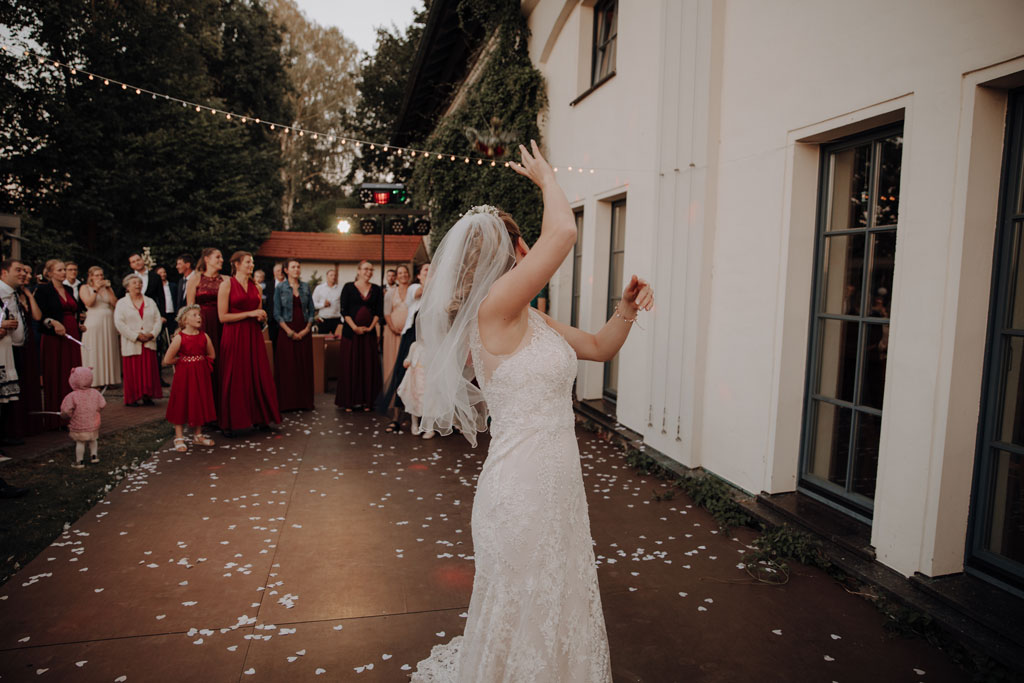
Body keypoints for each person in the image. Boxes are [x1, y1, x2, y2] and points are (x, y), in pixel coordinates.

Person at [411, 141, 654, 682]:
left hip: (558, 487)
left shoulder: (533, 319)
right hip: (519, 492)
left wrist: (626, 310)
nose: (529, 249)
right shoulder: (495, 309)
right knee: (522, 611)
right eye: (523, 241)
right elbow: (564, 233)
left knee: (553, 606)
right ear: (510, 248)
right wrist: (547, 180)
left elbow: (597, 346)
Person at [217, 251, 281, 433]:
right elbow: (222, 316)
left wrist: (261, 316)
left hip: (253, 335)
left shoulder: (257, 287)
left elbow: (258, 312)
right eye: (247, 262)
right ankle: (231, 422)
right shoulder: (227, 284)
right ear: (236, 264)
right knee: (234, 375)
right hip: (233, 334)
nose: (251, 266)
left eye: (252, 263)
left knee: (257, 374)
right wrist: (250, 313)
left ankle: (260, 417)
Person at [35, 259, 84, 429]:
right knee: (56, 373)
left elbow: (74, 310)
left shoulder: (69, 289)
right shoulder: (43, 290)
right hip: (54, 337)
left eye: (64, 269)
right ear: (49, 273)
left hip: (72, 334)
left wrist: (78, 323)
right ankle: (57, 417)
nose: (64, 272)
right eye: (60, 270)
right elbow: (40, 317)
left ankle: (75, 413)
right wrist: (52, 322)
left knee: (72, 374)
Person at [163, 304, 216, 452]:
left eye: (199, 315)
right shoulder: (180, 338)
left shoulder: (204, 336)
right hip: (184, 375)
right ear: (185, 320)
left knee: (198, 401)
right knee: (181, 401)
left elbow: (212, 355)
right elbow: (168, 359)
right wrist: (183, 361)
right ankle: (178, 436)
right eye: (194, 315)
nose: (198, 317)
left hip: (200, 374)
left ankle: (198, 435)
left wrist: (200, 361)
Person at [1, 260, 42, 439]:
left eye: (24, 271)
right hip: (4, 350)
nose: (23, 274)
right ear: (3, 273)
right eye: (17, 270)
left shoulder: (13, 294)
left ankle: (11, 431)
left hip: (14, 349)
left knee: (10, 396)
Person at [334, 260, 382, 412]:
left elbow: (378, 312)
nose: (369, 272)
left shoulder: (377, 289)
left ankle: (367, 401)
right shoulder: (348, 287)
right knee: (351, 366)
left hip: (369, 334)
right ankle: (349, 401)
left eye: (371, 269)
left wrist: (370, 327)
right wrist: (354, 327)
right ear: (359, 271)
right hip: (351, 333)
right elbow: (344, 310)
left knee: (368, 366)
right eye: (366, 269)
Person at [186, 248, 228, 411]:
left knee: (222, 363)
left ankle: (221, 406)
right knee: (204, 364)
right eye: (218, 257)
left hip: (222, 324)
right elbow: (189, 307)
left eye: (222, 257)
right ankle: (203, 408)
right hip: (202, 324)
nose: (221, 260)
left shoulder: (226, 280)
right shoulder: (195, 279)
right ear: (207, 259)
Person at [114, 273, 163, 406]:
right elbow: (119, 323)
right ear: (127, 287)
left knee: (149, 370)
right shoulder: (121, 303)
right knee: (133, 371)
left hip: (148, 342)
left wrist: (152, 334)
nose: (138, 285)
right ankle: (133, 398)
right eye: (134, 283)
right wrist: (135, 336)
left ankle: (148, 396)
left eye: (140, 282)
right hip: (132, 343)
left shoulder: (150, 301)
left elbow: (157, 320)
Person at [273, 258, 315, 412]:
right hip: (287, 330)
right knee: (288, 366)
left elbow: (311, 310)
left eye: (298, 266)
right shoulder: (280, 288)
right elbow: (276, 313)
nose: (296, 269)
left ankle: (304, 402)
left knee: (303, 365)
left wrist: (307, 328)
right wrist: (288, 331)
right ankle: (287, 402)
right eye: (293, 267)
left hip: (304, 328)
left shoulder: (306, 287)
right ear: (286, 270)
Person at [79, 266, 122, 388]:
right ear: (91, 276)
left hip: (108, 322)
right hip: (94, 322)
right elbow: (89, 303)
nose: (100, 277)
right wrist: (96, 289)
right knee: (95, 350)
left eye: (101, 275)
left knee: (109, 348)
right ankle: (94, 380)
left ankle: (109, 379)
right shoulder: (85, 288)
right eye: (97, 275)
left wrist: (107, 289)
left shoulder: (108, 288)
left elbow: (115, 303)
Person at [60, 366, 105, 468]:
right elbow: (102, 404)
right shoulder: (95, 393)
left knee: (80, 442)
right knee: (93, 439)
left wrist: (67, 415)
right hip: (93, 422)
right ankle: (94, 456)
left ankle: (79, 461)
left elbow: (66, 410)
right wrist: (96, 410)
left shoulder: (72, 396)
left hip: (79, 424)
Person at [382, 264, 414, 387]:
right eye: (400, 273)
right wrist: (393, 327)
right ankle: (392, 395)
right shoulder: (390, 293)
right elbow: (387, 313)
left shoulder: (413, 290)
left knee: (407, 362)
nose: (403, 275)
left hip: (409, 333)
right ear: (396, 277)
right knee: (392, 362)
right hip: (393, 332)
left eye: (405, 272)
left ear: (409, 275)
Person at [397, 340, 432, 439]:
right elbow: (409, 358)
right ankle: (414, 423)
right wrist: (407, 361)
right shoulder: (414, 345)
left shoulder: (433, 345)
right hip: (414, 376)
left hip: (426, 377)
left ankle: (429, 428)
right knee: (414, 399)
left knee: (427, 401)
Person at [127, 252, 167, 326]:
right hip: (133, 313)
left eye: (138, 260)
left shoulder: (156, 277)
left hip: (151, 313)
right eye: (133, 262)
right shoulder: (128, 277)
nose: (137, 263)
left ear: (142, 260)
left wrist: (163, 315)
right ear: (131, 265)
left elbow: (161, 297)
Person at [312, 267, 342, 335]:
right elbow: (313, 304)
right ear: (327, 276)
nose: (333, 277)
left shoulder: (340, 289)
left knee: (337, 341)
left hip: (337, 319)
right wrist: (323, 304)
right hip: (323, 319)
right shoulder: (319, 288)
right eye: (331, 275)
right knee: (322, 340)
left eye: (335, 275)